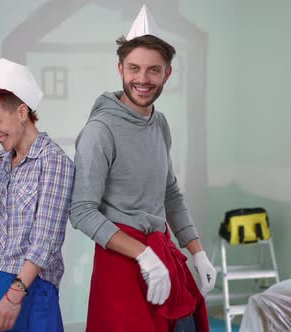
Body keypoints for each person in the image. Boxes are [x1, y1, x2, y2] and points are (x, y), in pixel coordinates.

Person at [69, 5, 217, 332]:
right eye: (134, 68)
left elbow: (170, 193)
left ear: (167, 74)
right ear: (121, 68)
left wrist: (197, 252)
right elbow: (81, 211)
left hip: (161, 254)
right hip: (121, 263)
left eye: (153, 70)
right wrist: (143, 257)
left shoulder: (159, 123)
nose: (142, 79)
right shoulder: (100, 130)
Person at [0, 58, 74, 332]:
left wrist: (15, 294)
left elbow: (46, 238)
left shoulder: (53, 161)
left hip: (25, 290)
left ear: (22, 112)